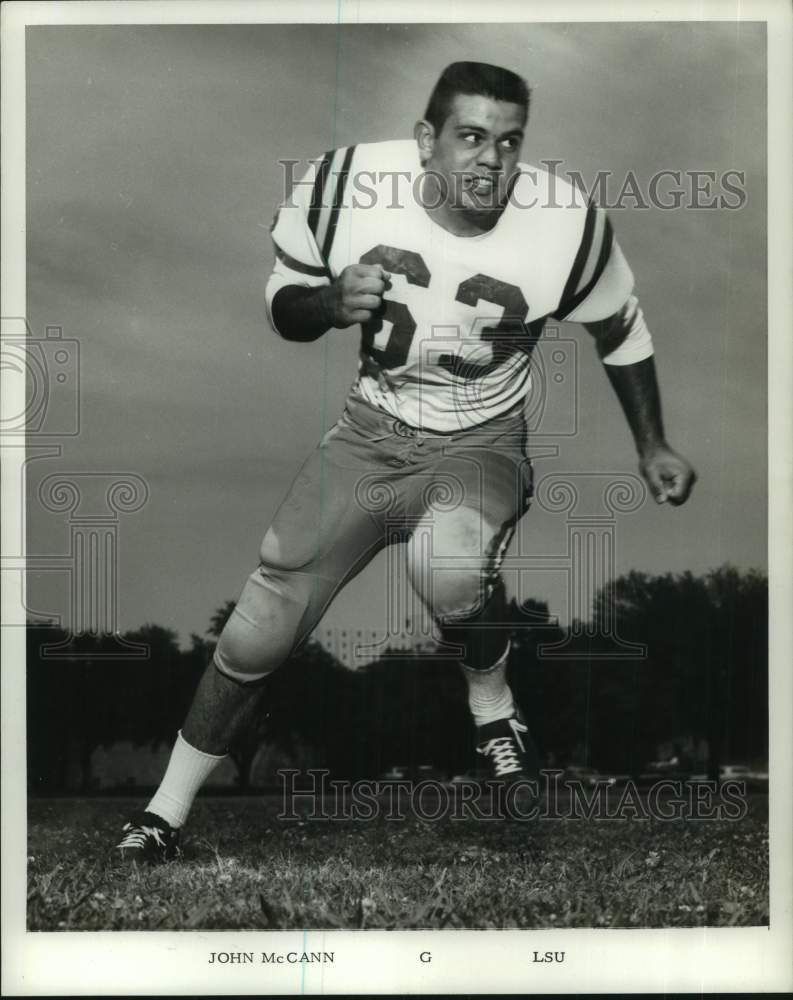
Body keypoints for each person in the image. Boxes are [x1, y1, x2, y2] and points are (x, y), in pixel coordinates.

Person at [116, 61, 695, 862]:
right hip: (369, 432)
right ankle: (163, 813)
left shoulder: (565, 222)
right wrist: (327, 304)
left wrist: (651, 442)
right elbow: (285, 301)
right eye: (469, 137)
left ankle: (492, 704)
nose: (490, 160)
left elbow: (620, 330)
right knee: (258, 627)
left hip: (481, 440)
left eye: (508, 141)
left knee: (447, 566)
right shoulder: (347, 182)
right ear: (427, 140)